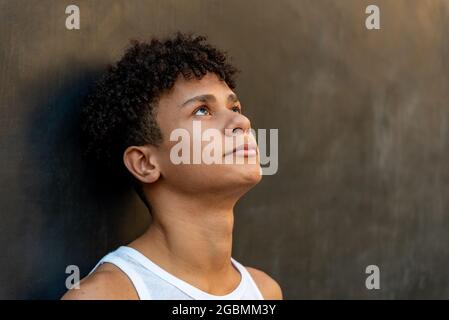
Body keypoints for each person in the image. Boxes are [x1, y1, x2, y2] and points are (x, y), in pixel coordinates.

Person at [62, 32, 282, 300]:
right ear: (145, 163)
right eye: (202, 110)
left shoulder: (265, 291)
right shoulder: (107, 294)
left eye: (234, 108)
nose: (242, 122)